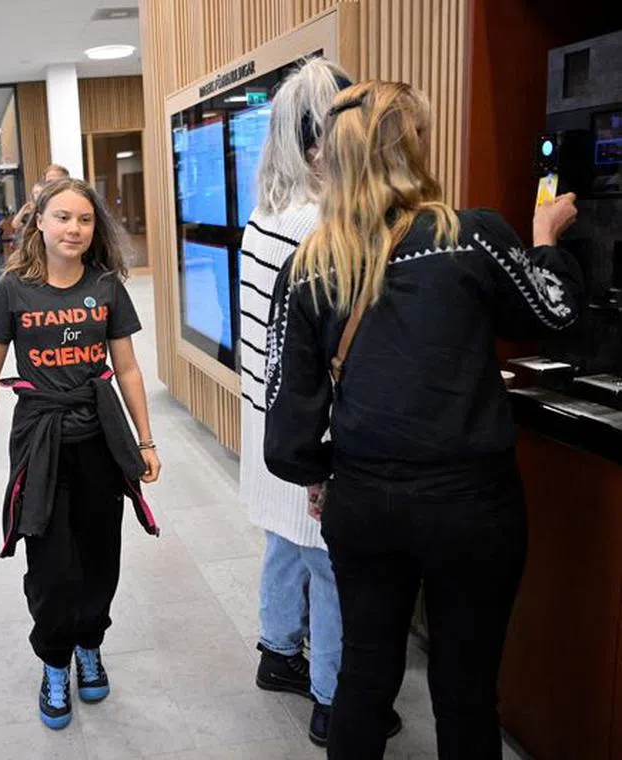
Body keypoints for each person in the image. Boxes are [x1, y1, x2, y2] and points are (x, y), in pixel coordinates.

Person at [263, 80, 582, 759]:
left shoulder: (308, 268)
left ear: (339, 161)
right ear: (410, 148)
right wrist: (546, 238)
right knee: (466, 692)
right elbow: (554, 313)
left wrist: (324, 475)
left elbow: (286, 435)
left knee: (365, 677)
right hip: (473, 507)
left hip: (365, 505)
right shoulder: (472, 237)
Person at [239, 58, 402, 747]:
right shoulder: (322, 227)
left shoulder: (263, 215)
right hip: (310, 429)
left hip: (265, 419)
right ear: (321, 142)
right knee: (333, 569)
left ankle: (278, 651)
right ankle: (334, 699)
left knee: (285, 544)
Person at [0, 178, 162, 730]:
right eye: (63, 218)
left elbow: (126, 368)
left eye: (84, 220)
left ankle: (89, 645)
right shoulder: (14, 289)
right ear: (40, 224)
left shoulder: (106, 286)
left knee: (101, 557)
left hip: (100, 438)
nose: (74, 229)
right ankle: (55, 660)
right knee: (51, 566)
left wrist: (145, 441)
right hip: (40, 440)